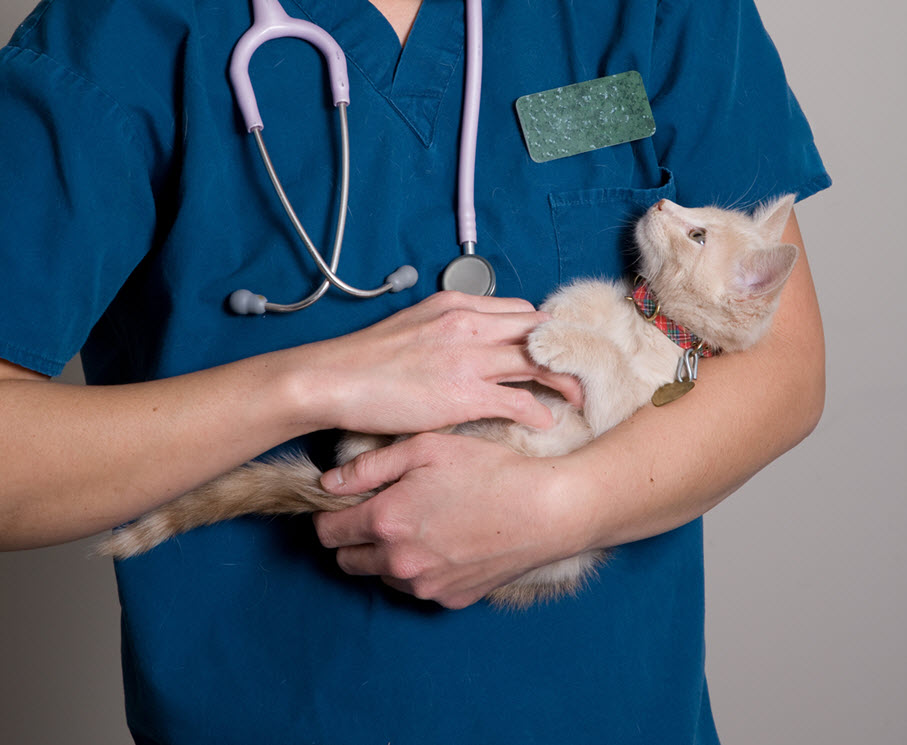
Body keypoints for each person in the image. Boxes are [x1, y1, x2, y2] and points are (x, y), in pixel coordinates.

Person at [0, 0, 830, 742]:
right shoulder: (123, 28)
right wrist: (314, 382)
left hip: (614, 712)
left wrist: (562, 507)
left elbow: (782, 366)